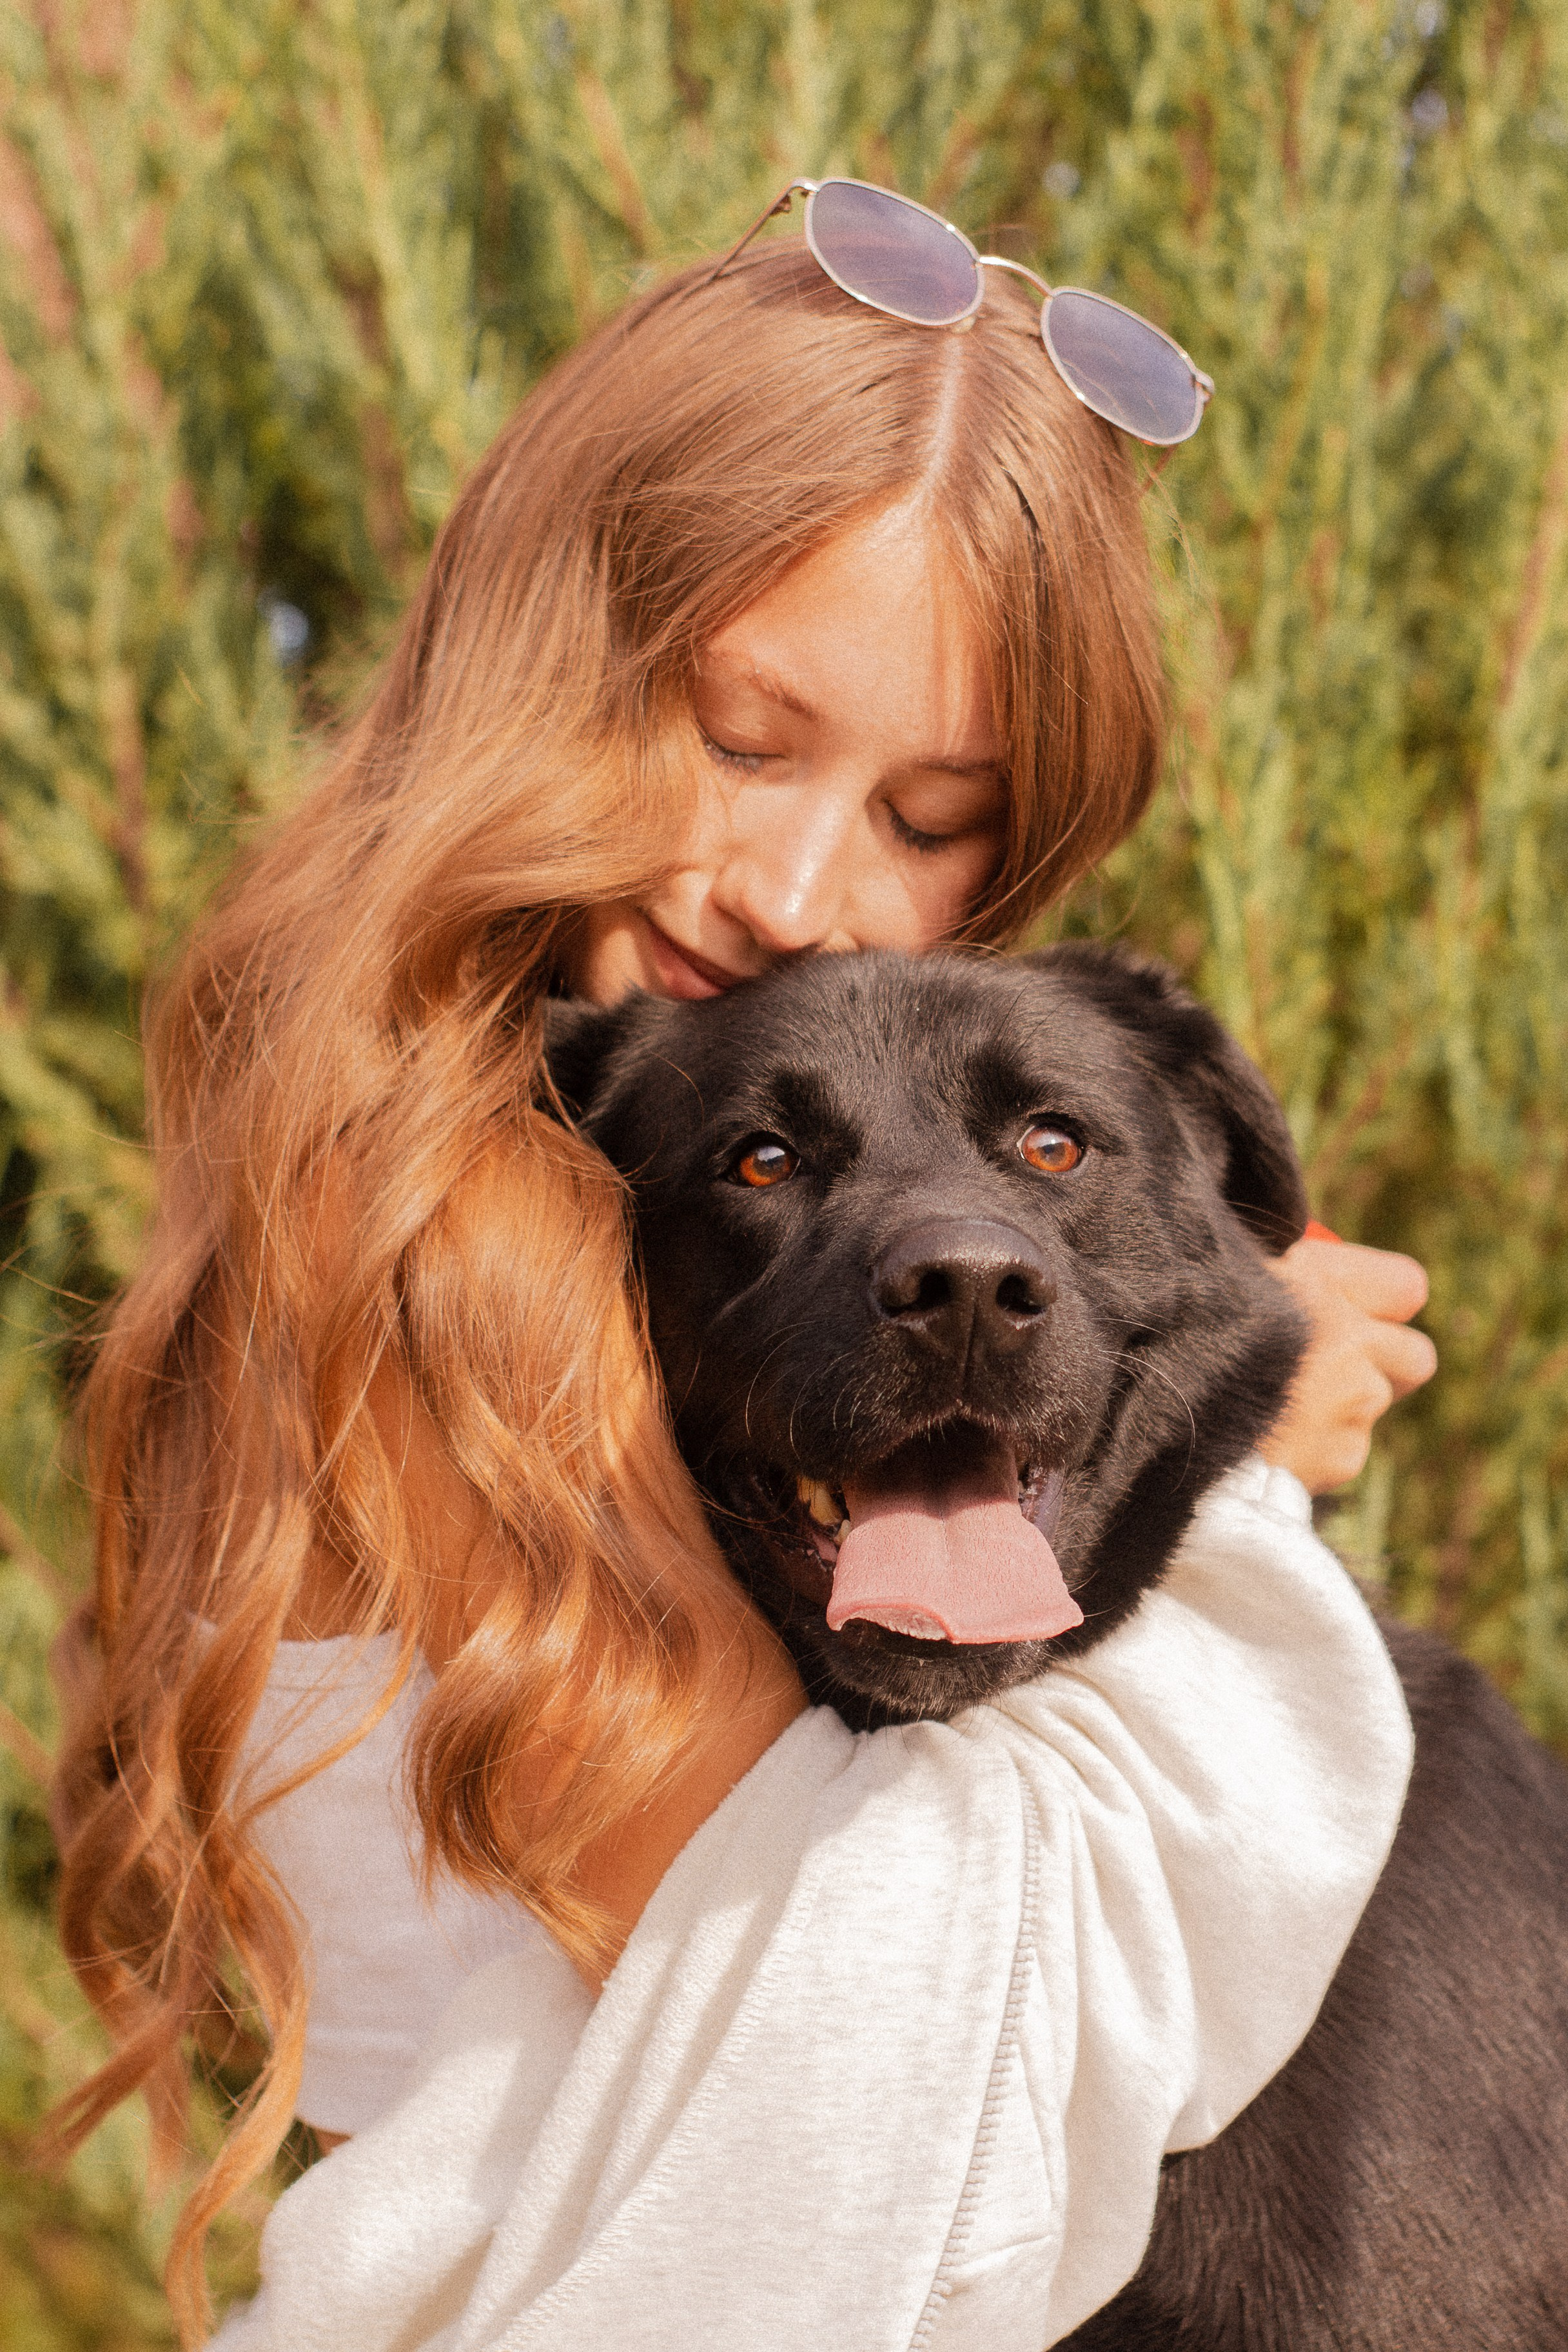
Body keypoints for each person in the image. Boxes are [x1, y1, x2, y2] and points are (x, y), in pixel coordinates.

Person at [47, 196, 1435, 2347]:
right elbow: (882, 1975)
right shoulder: (438, 1247)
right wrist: (1244, 1468)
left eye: (930, 817)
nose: (800, 889)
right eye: (743, 736)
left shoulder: (611, 1172)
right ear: (550, 638)